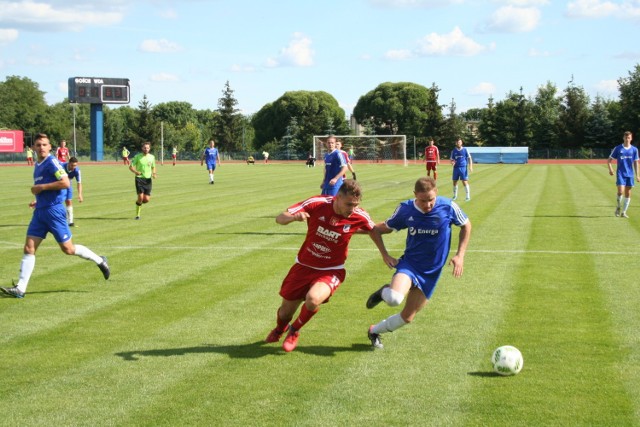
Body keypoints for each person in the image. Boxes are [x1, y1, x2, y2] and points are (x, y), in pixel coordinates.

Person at [265, 180, 382, 352]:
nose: (352, 208)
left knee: (313, 299)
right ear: (337, 197)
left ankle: (294, 330)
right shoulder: (317, 203)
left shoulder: (358, 215)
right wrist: (293, 217)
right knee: (285, 313)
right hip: (303, 265)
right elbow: (280, 218)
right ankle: (279, 328)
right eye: (349, 204)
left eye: (355, 205)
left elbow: (374, 229)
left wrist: (387, 251)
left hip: (331, 270)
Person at [365, 177, 471, 349]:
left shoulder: (448, 207)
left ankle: (374, 331)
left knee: (407, 317)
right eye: (423, 200)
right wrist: (385, 255)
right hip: (410, 266)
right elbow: (376, 230)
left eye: (431, 200)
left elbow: (466, 225)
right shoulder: (406, 210)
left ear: (436, 192)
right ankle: (383, 292)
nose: (428, 205)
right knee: (393, 299)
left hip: (431, 273)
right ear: (415, 195)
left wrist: (460, 255)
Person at [1, 133, 110, 299]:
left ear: (50, 147)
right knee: (29, 247)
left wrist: (42, 187)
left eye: (44, 144)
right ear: (33, 148)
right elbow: (46, 189)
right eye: (38, 145)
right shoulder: (38, 164)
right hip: (40, 213)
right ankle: (20, 288)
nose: (41, 147)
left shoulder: (52, 162)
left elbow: (65, 183)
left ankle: (100, 260)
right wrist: (38, 201)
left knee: (68, 249)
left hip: (54, 213)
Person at [608, 131, 640, 218]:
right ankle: (618, 206)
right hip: (620, 173)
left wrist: (637, 175)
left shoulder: (634, 149)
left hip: (630, 174)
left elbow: (636, 162)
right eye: (626, 138)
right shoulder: (618, 148)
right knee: (620, 191)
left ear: (631, 138)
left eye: (629, 138)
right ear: (623, 138)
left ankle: (624, 212)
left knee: (628, 194)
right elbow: (609, 160)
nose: (627, 139)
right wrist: (610, 169)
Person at [129, 141, 157, 220]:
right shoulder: (137, 157)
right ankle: (138, 215)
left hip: (148, 180)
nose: (146, 149)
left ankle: (139, 203)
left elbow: (153, 166)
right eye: (145, 148)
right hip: (139, 179)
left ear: (149, 148)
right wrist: (136, 172)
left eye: (147, 148)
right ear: (142, 148)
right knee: (140, 197)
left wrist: (154, 173)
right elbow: (130, 167)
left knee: (146, 200)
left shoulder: (152, 157)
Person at [60, 157, 83, 227]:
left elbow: (79, 183)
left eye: (75, 165)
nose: (73, 167)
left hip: (69, 183)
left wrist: (80, 194)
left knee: (69, 201)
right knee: (58, 201)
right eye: (72, 165)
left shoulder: (77, 171)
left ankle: (70, 221)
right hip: (59, 183)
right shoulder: (61, 167)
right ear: (68, 163)